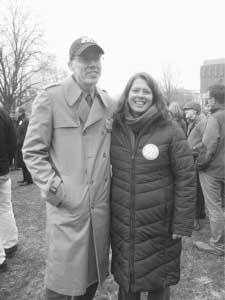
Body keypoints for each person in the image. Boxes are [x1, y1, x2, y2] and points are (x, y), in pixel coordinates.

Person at [23, 37, 114, 300]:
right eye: (85, 59)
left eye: (96, 60)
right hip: (66, 206)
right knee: (60, 281)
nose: (92, 65)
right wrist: (55, 188)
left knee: (93, 275)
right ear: (70, 64)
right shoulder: (51, 97)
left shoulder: (108, 103)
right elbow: (32, 150)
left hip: (98, 207)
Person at [110, 72, 196, 300]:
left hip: (160, 224)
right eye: (135, 90)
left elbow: (186, 177)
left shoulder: (170, 129)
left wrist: (182, 221)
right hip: (124, 221)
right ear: (127, 95)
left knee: (158, 281)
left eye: (146, 91)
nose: (140, 96)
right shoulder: (115, 128)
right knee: (127, 280)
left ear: (154, 96)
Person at [194, 84, 225, 256]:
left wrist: (199, 165)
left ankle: (218, 245)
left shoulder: (215, 117)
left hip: (213, 170)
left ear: (213, 99)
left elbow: (208, 145)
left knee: (214, 207)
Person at [0, 106, 18, 272]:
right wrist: (8, 161)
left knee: (5, 207)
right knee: (5, 207)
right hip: (3, 170)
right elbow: (13, 142)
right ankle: (10, 243)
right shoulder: (4, 115)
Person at [183, 101, 206, 230]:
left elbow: (207, 141)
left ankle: (195, 220)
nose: (185, 112)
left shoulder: (202, 122)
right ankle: (200, 214)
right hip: (192, 157)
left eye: (188, 110)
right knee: (197, 188)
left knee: (195, 189)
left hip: (196, 158)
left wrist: (193, 147)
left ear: (195, 111)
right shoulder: (192, 123)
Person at [15, 106, 33, 185]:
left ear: (21, 112)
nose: (16, 113)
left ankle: (28, 180)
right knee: (22, 162)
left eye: (17, 112)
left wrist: (21, 142)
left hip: (24, 144)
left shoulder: (25, 121)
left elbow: (26, 134)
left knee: (25, 162)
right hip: (19, 144)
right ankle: (25, 178)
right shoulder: (20, 121)